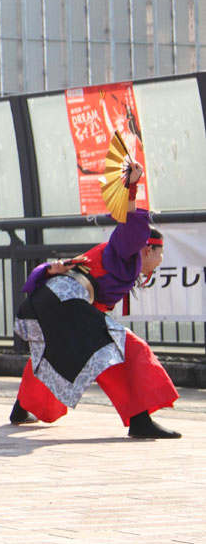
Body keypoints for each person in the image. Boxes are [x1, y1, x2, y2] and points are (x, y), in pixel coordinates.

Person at [9, 161, 180, 439]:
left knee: (55, 352)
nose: (159, 263)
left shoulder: (108, 256)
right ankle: (139, 420)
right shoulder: (125, 250)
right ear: (147, 249)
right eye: (159, 255)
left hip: (53, 301)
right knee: (124, 349)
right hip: (66, 301)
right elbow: (131, 229)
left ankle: (22, 406)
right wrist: (132, 187)